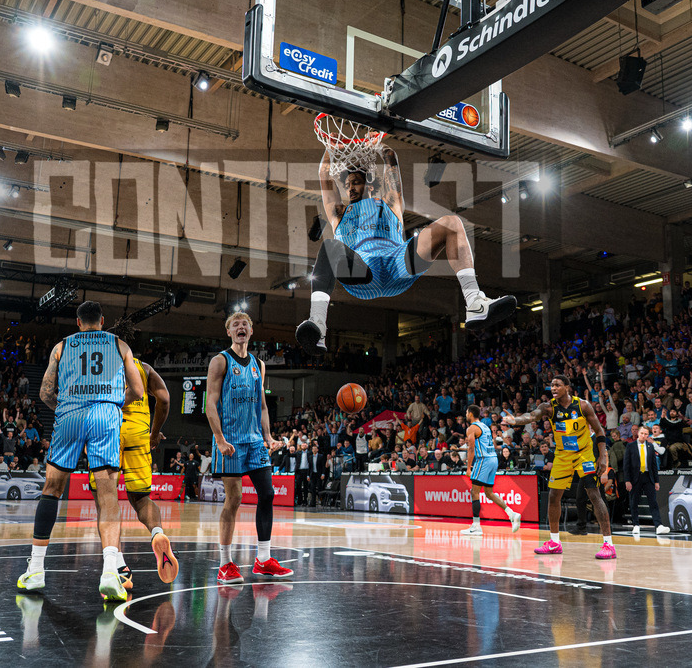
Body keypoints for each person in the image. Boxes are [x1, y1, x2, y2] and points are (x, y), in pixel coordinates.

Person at [296, 144, 517, 355]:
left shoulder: (390, 203)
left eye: (356, 183)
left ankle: (475, 302)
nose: (350, 188)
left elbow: (391, 160)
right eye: (348, 185)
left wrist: (380, 144)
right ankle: (318, 325)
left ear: (370, 185)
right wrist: (330, 148)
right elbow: (324, 174)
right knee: (329, 246)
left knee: (452, 223)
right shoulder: (340, 214)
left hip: (397, 263)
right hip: (363, 273)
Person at [17, 301, 145, 601]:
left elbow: (45, 392)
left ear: (78, 322)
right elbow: (138, 391)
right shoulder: (119, 344)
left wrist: (66, 407)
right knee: (107, 494)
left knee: (51, 489)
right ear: (102, 320)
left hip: (70, 415)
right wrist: (113, 403)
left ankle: (36, 570)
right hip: (105, 415)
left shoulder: (62, 346)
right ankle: (110, 571)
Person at [85, 318, 178, 590]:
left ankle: (119, 566)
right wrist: (154, 432)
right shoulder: (143, 368)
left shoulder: (97, 366)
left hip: (109, 431)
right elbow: (165, 399)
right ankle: (157, 534)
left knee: (106, 500)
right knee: (141, 499)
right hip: (138, 432)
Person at [206, 312, 292, 584]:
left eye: (245, 324)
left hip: (255, 441)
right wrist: (220, 439)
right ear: (229, 332)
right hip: (230, 440)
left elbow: (262, 406)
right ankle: (225, 564)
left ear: (251, 331)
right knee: (234, 499)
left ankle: (263, 559)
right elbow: (210, 404)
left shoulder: (258, 364)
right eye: (236, 325)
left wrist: (268, 437)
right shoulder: (220, 361)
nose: (241, 327)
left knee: (267, 494)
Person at [507, 375, 616, 559]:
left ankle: (609, 545)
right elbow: (532, 415)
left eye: (557, 385)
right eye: (552, 385)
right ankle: (554, 542)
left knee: (594, 494)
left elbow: (599, 431)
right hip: (563, 456)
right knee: (553, 496)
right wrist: (516, 421)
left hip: (584, 454)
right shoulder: (548, 407)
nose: (553, 388)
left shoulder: (583, 406)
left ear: (567, 386)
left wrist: (603, 458)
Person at [460, 405, 521, 536]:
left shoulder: (472, 428)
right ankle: (512, 513)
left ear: (470, 414)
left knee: (474, 491)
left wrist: (469, 467)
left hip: (484, 459)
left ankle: (476, 526)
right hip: (493, 458)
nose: (465, 414)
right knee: (489, 493)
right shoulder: (485, 426)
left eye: (466, 412)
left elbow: (471, 448)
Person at [624, 426, 669, 535]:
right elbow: (626, 465)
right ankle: (636, 525)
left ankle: (658, 525)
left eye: (646, 434)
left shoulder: (650, 446)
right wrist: (627, 480)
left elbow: (654, 465)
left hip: (648, 476)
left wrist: (656, 481)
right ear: (638, 434)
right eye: (642, 433)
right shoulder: (630, 446)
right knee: (634, 501)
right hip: (635, 477)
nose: (643, 436)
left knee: (653, 501)